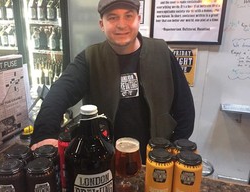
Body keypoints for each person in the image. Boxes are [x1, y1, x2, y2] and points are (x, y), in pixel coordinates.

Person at [30, 0, 195, 164]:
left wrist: (173, 150)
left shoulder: (161, 52)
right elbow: (58, 95)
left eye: (128, 16)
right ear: (102, 24)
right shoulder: (90, 58)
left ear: (139, 19)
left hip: (157, 159)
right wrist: (45, 136)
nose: (121, 25)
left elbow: (185, 110)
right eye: (113, 18)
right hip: (105, 161)